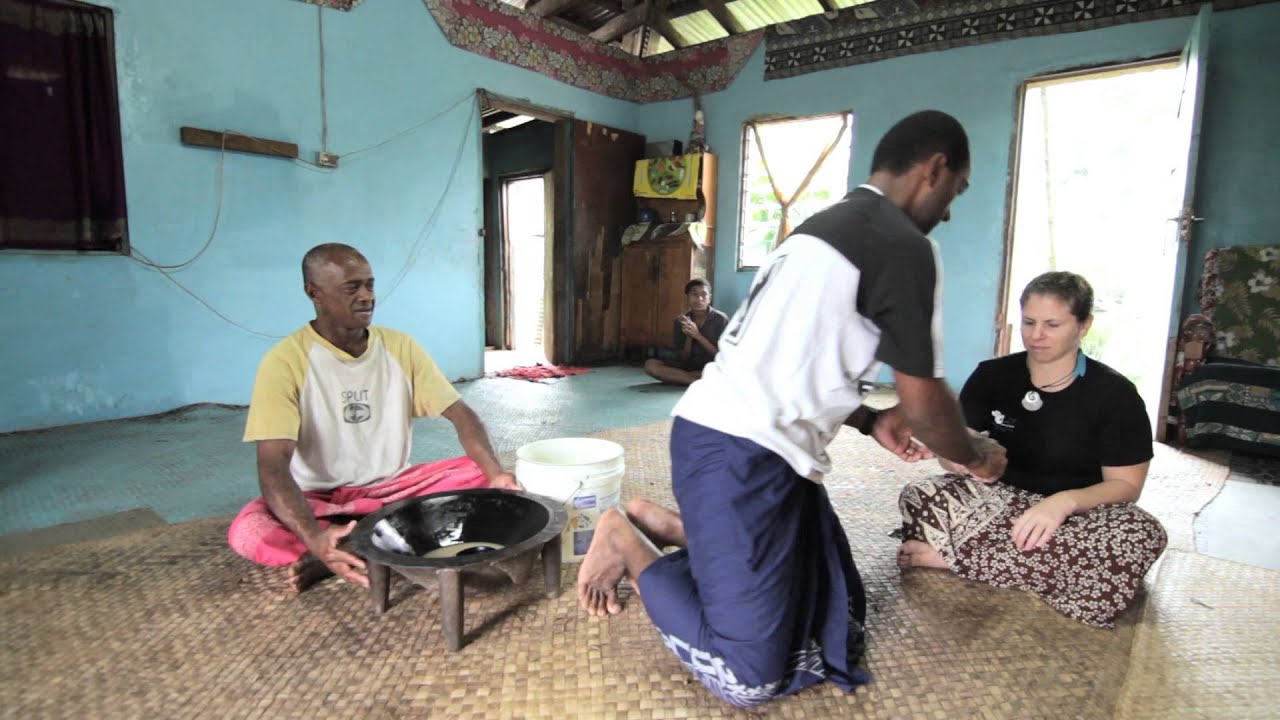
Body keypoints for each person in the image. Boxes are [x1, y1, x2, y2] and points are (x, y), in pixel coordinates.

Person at [576, 111, 1008, 708]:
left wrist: (868, 419)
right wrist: (976, 455)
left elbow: (792, 359)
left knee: (834, 605)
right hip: (737, 454)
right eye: (956, 191)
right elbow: (927, 404)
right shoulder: (903, 245)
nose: (950, 211)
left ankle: (675, 527)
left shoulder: (817, 230)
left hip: (758, 450)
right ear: (934, 170)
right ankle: (625, 537)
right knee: (749, 676)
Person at [228, 243, 521, 593]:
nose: (367, 296)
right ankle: (348, 546)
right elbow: (273, 465)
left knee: (486, 478)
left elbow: (462, 415)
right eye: (352, 288)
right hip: (321, 500)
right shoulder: (284, 362)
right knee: (249, 529)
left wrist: (495, 474)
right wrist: (314, 535)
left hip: (396, 490)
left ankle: (351, 551)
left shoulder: (400, 347)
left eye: (370, 285)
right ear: (314, 293)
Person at [897, 271, 1166, 627]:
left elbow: (1126, 486)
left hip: (1078, 515)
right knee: (920, 496)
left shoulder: (1116, 395)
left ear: (1083, 325)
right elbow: (959, 450)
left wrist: (1062, 503)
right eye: (1029, 322)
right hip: (997, 503)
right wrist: (958, 458)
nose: (1036, 335)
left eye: (1052, 325)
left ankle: (956, 559)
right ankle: (1046, 569)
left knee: (1139, 535)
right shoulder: (992, 375)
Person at [642, 278, 730, 386]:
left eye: (704, 294)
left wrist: (698, 336)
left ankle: (686, 378)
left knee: (727, 371)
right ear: (687, 297)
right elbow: (684, 359)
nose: (699, 299)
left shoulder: (721, 319)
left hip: (713, 365)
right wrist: (689, 337)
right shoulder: (680, 321)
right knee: (650, 365)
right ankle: (695, 379)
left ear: (709, 298)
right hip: (690, 367)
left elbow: (722, 356)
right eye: (694, 294)